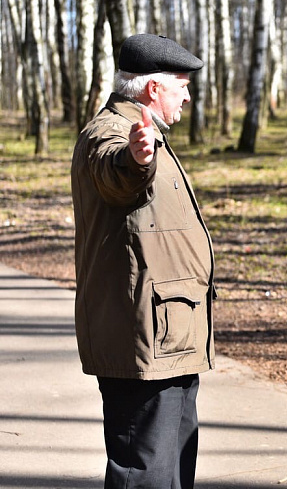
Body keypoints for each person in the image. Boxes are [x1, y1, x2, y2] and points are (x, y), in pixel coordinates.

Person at [70, 34, 215, 488]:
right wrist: (135, 160)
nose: (188, 96)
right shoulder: (112, 134)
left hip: (168, 334)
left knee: (170, 469)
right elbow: (117, 176)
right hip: (143, 339)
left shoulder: (144, 129)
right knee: (145, 472)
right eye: (182, 86)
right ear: (154, 89)